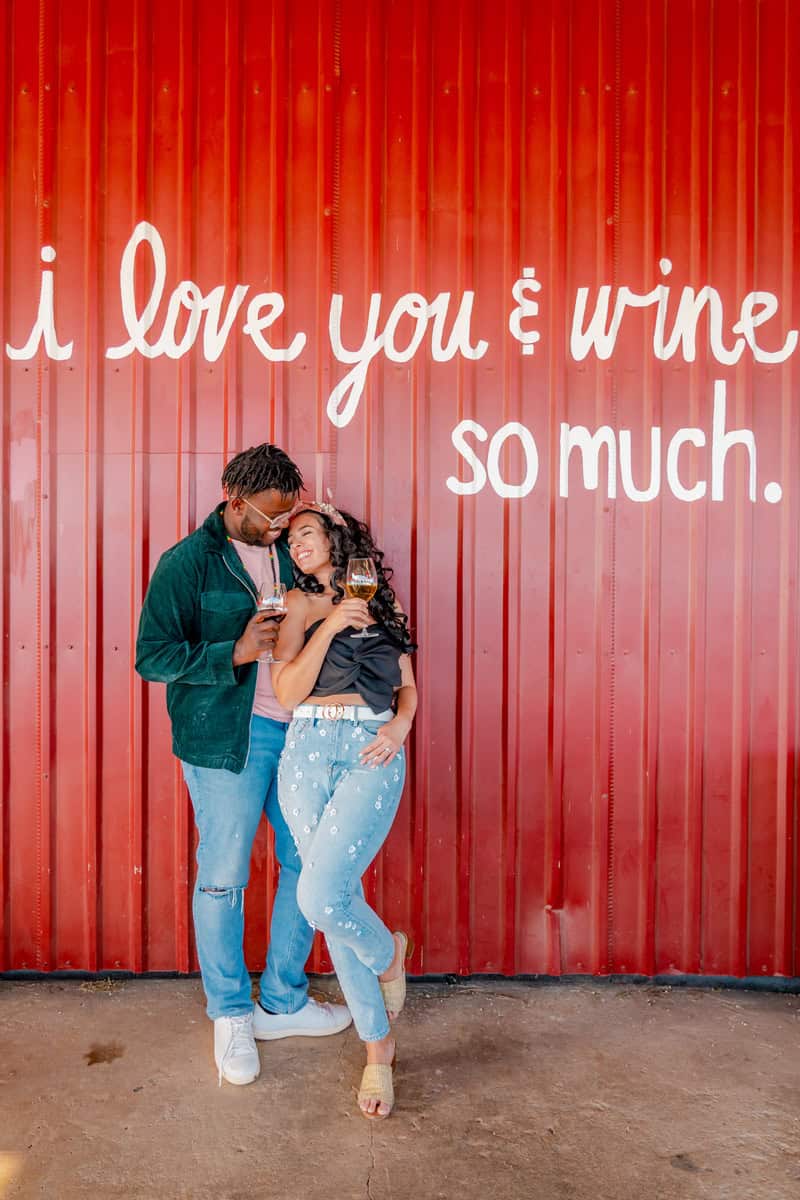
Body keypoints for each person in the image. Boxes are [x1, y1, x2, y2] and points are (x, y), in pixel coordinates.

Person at [135, 444, 352, 1087]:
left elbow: (343, 585)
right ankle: (230, 1012)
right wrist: (231, 652)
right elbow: (153, 657)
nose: (282, 527)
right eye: (273, 515)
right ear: (236, 501)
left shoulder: (292, 548)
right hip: (229, 739)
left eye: (292, 516)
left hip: (304, 732)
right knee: (224, 876)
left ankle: (282, 1000)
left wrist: (329, 531)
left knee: (303, 864)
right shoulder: (187, 563)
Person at [271, 500, 417, 1119]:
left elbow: (407, 682)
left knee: (324, 896)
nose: (297, 545)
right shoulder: (299, 605)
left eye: (306, 533)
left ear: (335, 536)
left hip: (371, 747)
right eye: (291, 539)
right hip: (306, 748)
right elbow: (284, 689)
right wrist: (331, 624)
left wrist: (401, 727)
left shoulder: (382, 600)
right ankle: (379, 1038)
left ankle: (386, 966)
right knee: (332, 898)